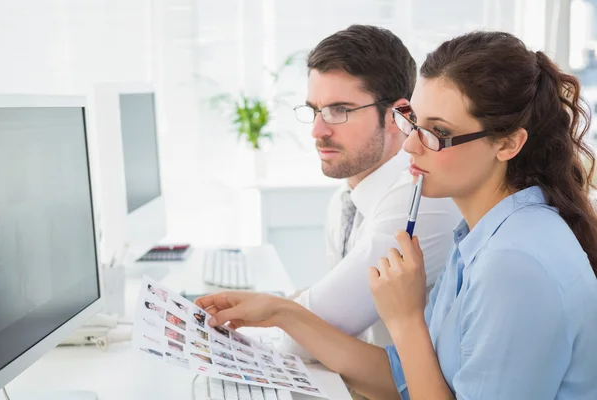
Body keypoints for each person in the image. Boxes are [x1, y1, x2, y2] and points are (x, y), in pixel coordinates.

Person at [196, 31, 597, 400]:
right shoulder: (479, 236)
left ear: (507, 144)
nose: (410, 147)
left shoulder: (514, 265)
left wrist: (405, 320)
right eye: (414, 123)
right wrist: (281, 312)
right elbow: (403, 377)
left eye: (437, 132)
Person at [284, 24, 461, 358]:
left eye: (339, 110)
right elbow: (321, 314)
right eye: (314, 111)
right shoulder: (345, 202)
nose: (317, 131)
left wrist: (274, 314)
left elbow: (308, 333)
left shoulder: (419, 198)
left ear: (398, 115)